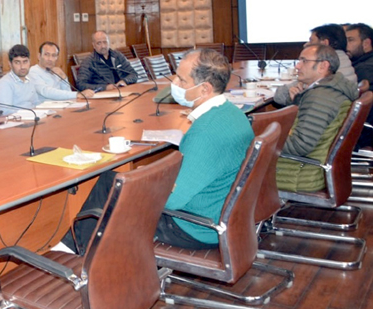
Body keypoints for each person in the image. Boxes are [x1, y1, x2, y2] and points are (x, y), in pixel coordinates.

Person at [58, 48, 253, 254]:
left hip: (195, 227)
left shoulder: (205, 130)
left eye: (181, 80)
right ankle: (81, 249)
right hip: (220, 213)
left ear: (205, 89)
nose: (174, 85)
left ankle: (72, 254)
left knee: (112, 183)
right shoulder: (232, 113)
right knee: (122, 180)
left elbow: (172, 200)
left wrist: (144, 179)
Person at [276, 44, 358, 192]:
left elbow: (300, 145)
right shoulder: (334, 87)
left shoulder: (319, 98)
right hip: (312, 168)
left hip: (301, 174)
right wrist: (297, 101)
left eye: (304, 61)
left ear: (323, 66)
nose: (298, 66)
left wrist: (261, 144)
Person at [27, 41, 95, 102]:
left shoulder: (55, 71)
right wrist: (77, 94)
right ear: (39, 56)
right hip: (45, 109)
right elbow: (47, 92)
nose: (50, 59)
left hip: (61, 106)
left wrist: (64, 78)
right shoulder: (33, 71)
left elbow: (67, 92)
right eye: (46, 55)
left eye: (54, 55)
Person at [0, 44, 41, 115]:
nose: (22, 66)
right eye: (17, 62)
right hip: (12, 122)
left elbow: (36, 103)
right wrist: (30, 113)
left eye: (25, 61)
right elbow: (5, 112)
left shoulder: (29, 80)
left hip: (31, 119)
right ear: (10, 64)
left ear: (29, 62)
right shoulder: (4, 84)